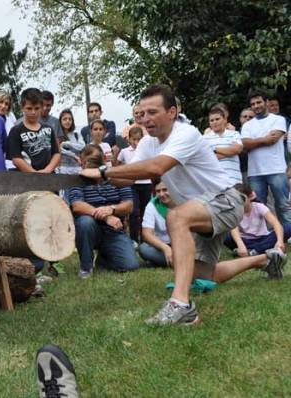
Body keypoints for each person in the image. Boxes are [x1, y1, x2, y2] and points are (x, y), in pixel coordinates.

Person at [81, 84, 286, 325]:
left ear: (172, 112)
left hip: (227, 201)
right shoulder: (148, 143)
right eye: (142, 113)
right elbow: (130, 175)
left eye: (153, 112)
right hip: (199, 211)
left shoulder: (186, 133)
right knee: (202, 274)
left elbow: (156, 168)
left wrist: (104, 172)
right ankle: (266, 260)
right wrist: (90, 173)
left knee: (176, 217)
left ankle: (182, 305)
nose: (145, 119)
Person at [7, 88, 61, 289]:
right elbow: (15, 157)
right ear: (22, 108)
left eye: (37, 108)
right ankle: (32, 266)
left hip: (49, 179)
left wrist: (47, 170)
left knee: (51, 220)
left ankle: (54, 262)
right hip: (27, 183)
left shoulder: (48, 129)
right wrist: (33, 173)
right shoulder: (16, 131)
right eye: (29, 108)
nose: (33, 112)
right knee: (31, 222)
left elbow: (57, 153)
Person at [70, 144, 138, 278]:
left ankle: (103, 259)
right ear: (82, 162)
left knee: (130, 265)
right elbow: (77, 205)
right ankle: (86, 267)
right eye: (88, 162)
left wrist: (111, 209)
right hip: (91, 228)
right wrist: (106, 217)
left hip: (114, 230)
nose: (91, 165)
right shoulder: (76, 178)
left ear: (103, 159)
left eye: (95, 161)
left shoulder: (116, 176)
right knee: (85, 222)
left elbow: (129, 205)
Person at [241, 89, 291, 223]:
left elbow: (273, 140)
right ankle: (264, 234)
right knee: (258, 206)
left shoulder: (279, 120)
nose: (256, 106)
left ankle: (289, 233)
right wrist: (264, 139)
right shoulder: (247, 125)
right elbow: (245, 145)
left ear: (266, 102)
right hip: (255, 172)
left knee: (283, 204)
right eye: (253, 104)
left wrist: (253, 141)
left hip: (277, 169)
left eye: (259, 102)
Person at [225, 184, 291, 257]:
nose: (238, 202)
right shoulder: (235, 211)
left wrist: (280, 241)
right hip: (245, 240)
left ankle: (253, 251)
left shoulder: (258, 207)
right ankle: (255, 250)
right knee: (226, 236)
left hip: (263, 238)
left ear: (250, 197)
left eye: (241, 198)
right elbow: (234, 229)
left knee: (288, 227)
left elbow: (276, 224)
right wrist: (240, 245)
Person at [115, 127, 152, 242]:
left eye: (139, 139)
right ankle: (133, 239)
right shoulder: (125, 152)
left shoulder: (147, 151)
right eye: (134, 139)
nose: (136, 142)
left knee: (146, 211)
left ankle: (145, 238)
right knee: (134, 212)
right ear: (129, 139)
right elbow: (118, 165)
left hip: (146, 183)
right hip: (132, 185)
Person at [203, 106, 243, 185]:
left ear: (225, 120)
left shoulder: (234, 134)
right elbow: (207, 158)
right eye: (211, 120)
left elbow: (237, 150)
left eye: (217, 119)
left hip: (234, 180)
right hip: (214, 182)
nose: (214, 122)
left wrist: (214, 149)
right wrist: (230, 151)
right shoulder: (204, 139)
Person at [139, 181, 175, 267]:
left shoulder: (183, 201)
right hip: (161, 245)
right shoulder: (152, 205)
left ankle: (164, 261)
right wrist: (165, 248)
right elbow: (146, 234)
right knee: (143, 249)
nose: (162, 194)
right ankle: (178, 260)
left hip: (182, 244)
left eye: (165, 190)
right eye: (158, 191)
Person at [0, 90, 17, 170]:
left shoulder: (11, 118)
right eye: (0, 102)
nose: (3, 106)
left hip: (10, 162)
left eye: (6, 104)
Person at [56, 109, 85, 175]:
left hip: (77, 169)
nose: (67, 121)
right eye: (65, 119)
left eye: (70, 119)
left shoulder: (77, 135)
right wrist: (75, 156)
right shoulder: (57, 135)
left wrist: (66, 143)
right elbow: (60, 150)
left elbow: (82, 147)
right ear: (60, 121)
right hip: (62, 169)